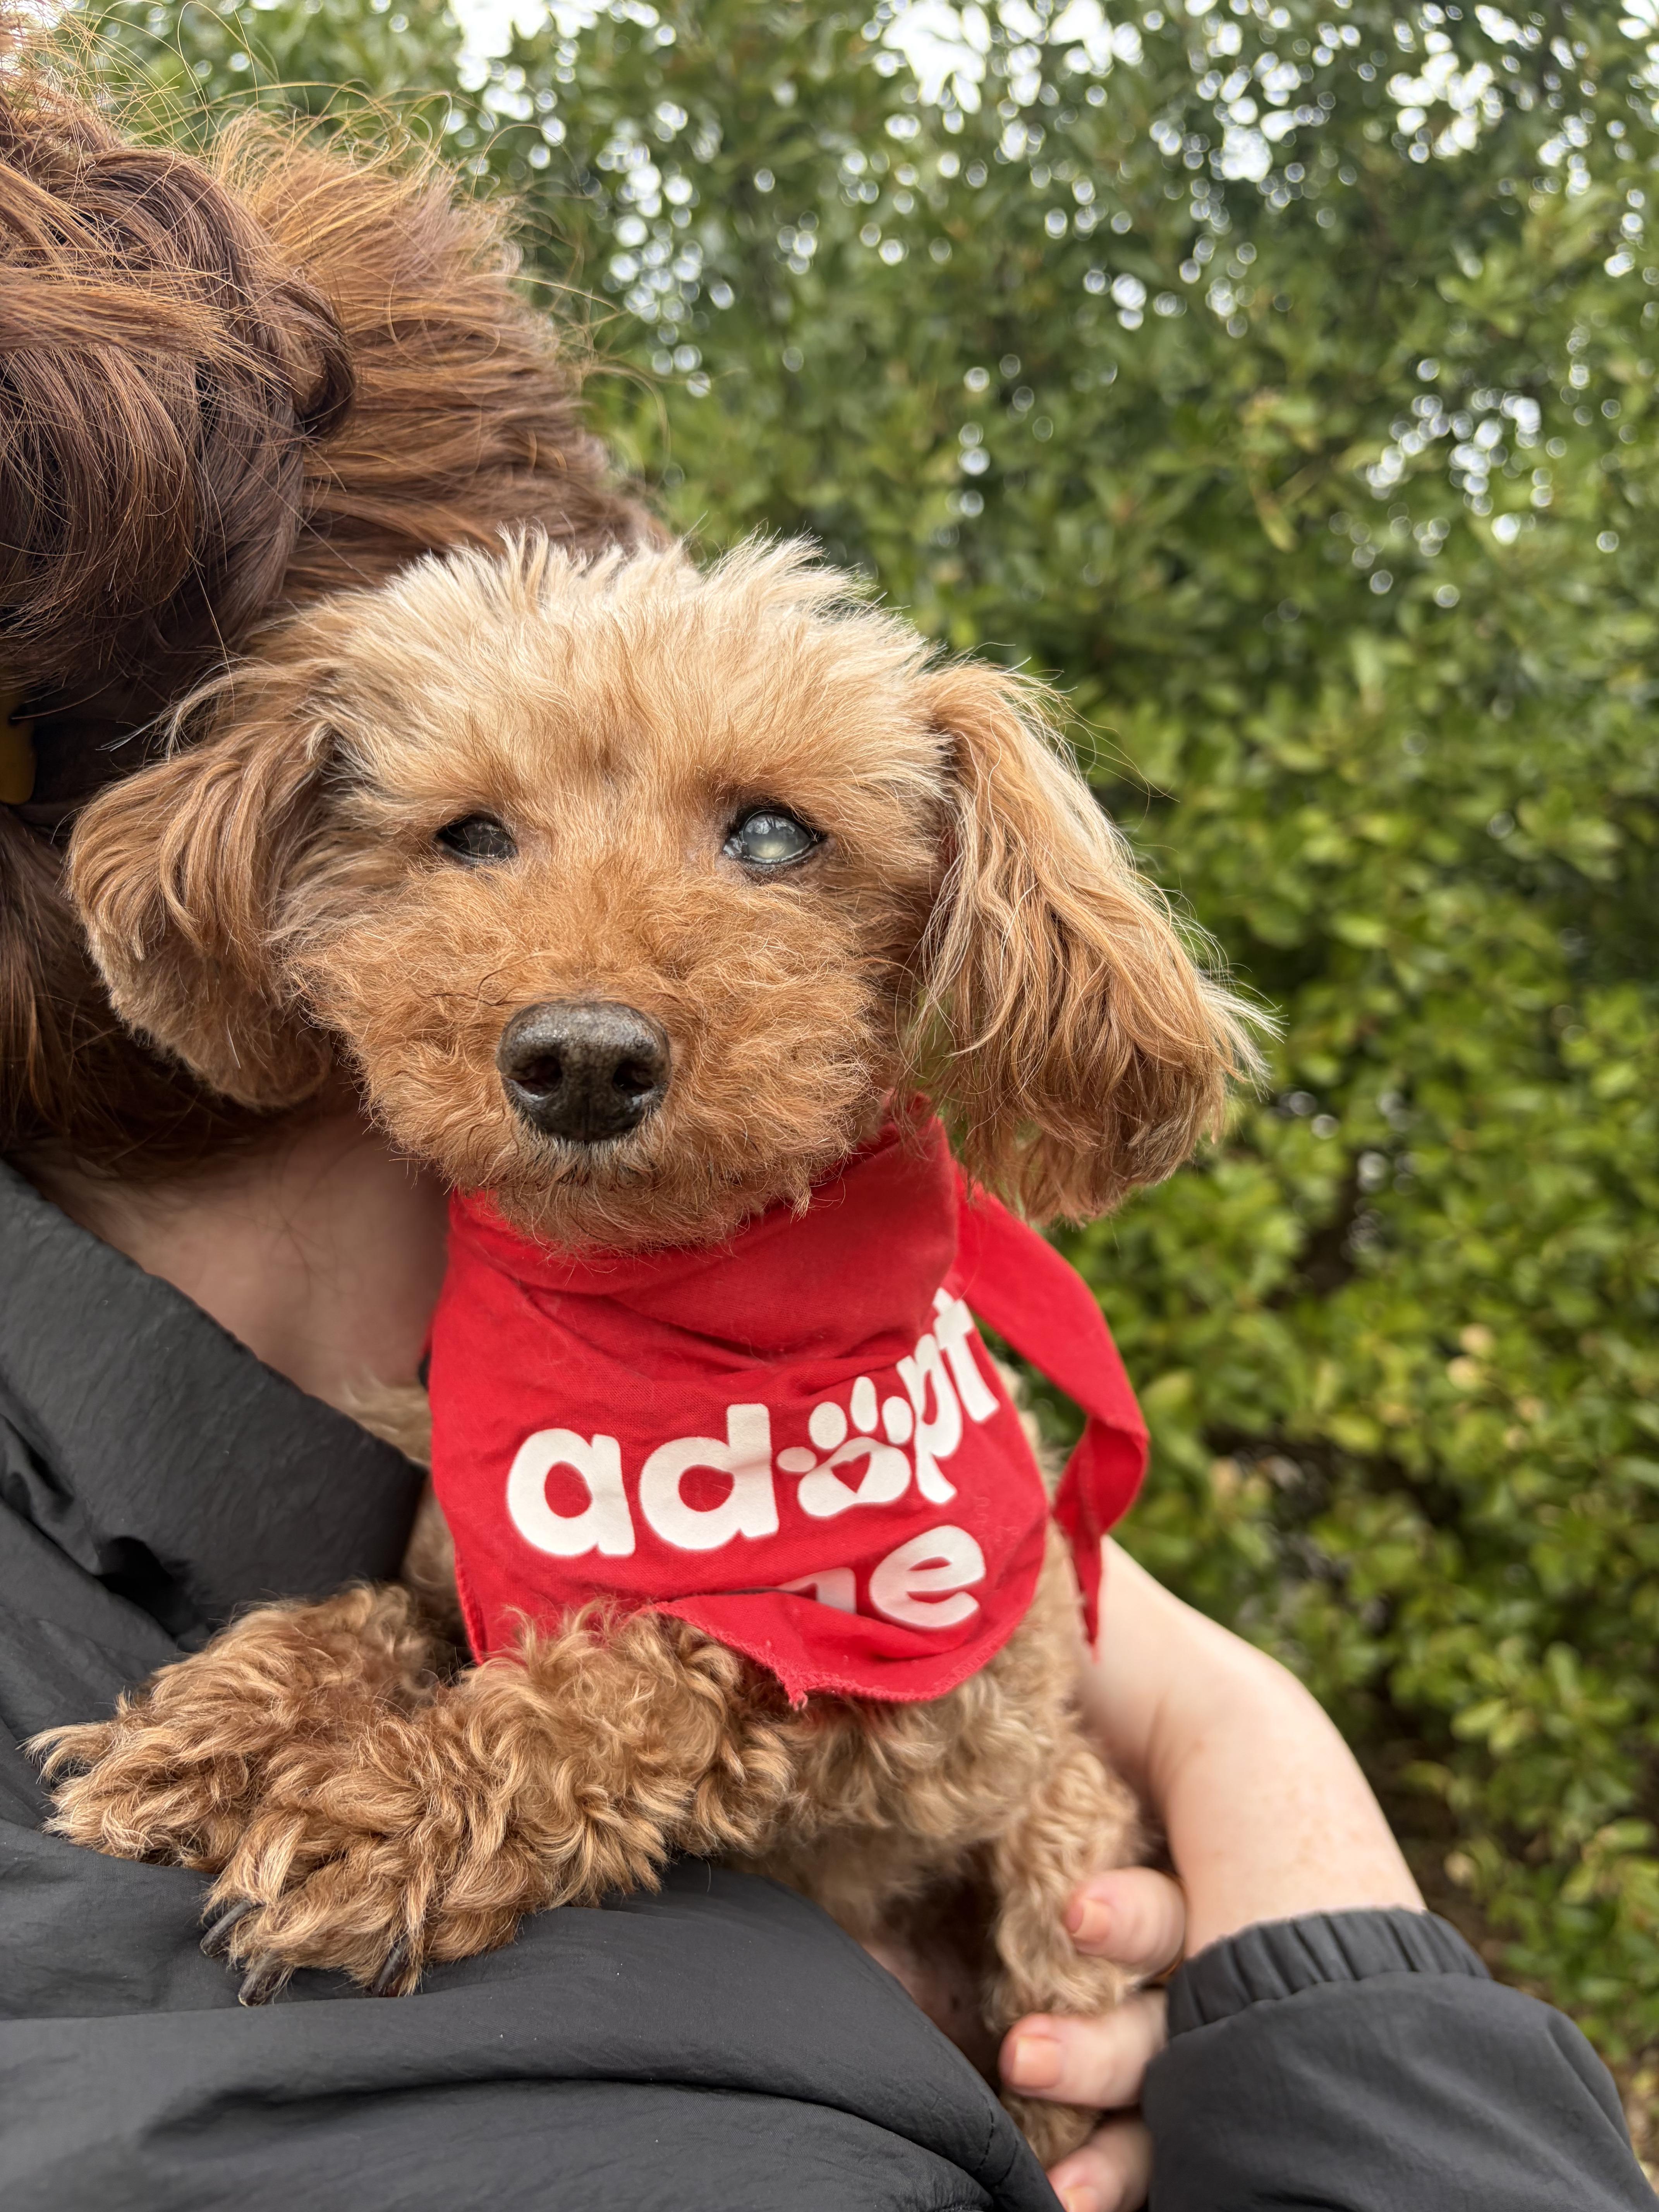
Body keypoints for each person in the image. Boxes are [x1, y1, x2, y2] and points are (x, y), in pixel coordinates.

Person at [0, 43, 1650, 2212]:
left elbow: (902, 1676)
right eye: (473, 830)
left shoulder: (262, 1478)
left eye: (770, 837)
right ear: (281, 865)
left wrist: (1185, 1723)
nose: (592, 982)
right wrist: (1304, 1861)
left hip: (1006, 1918)